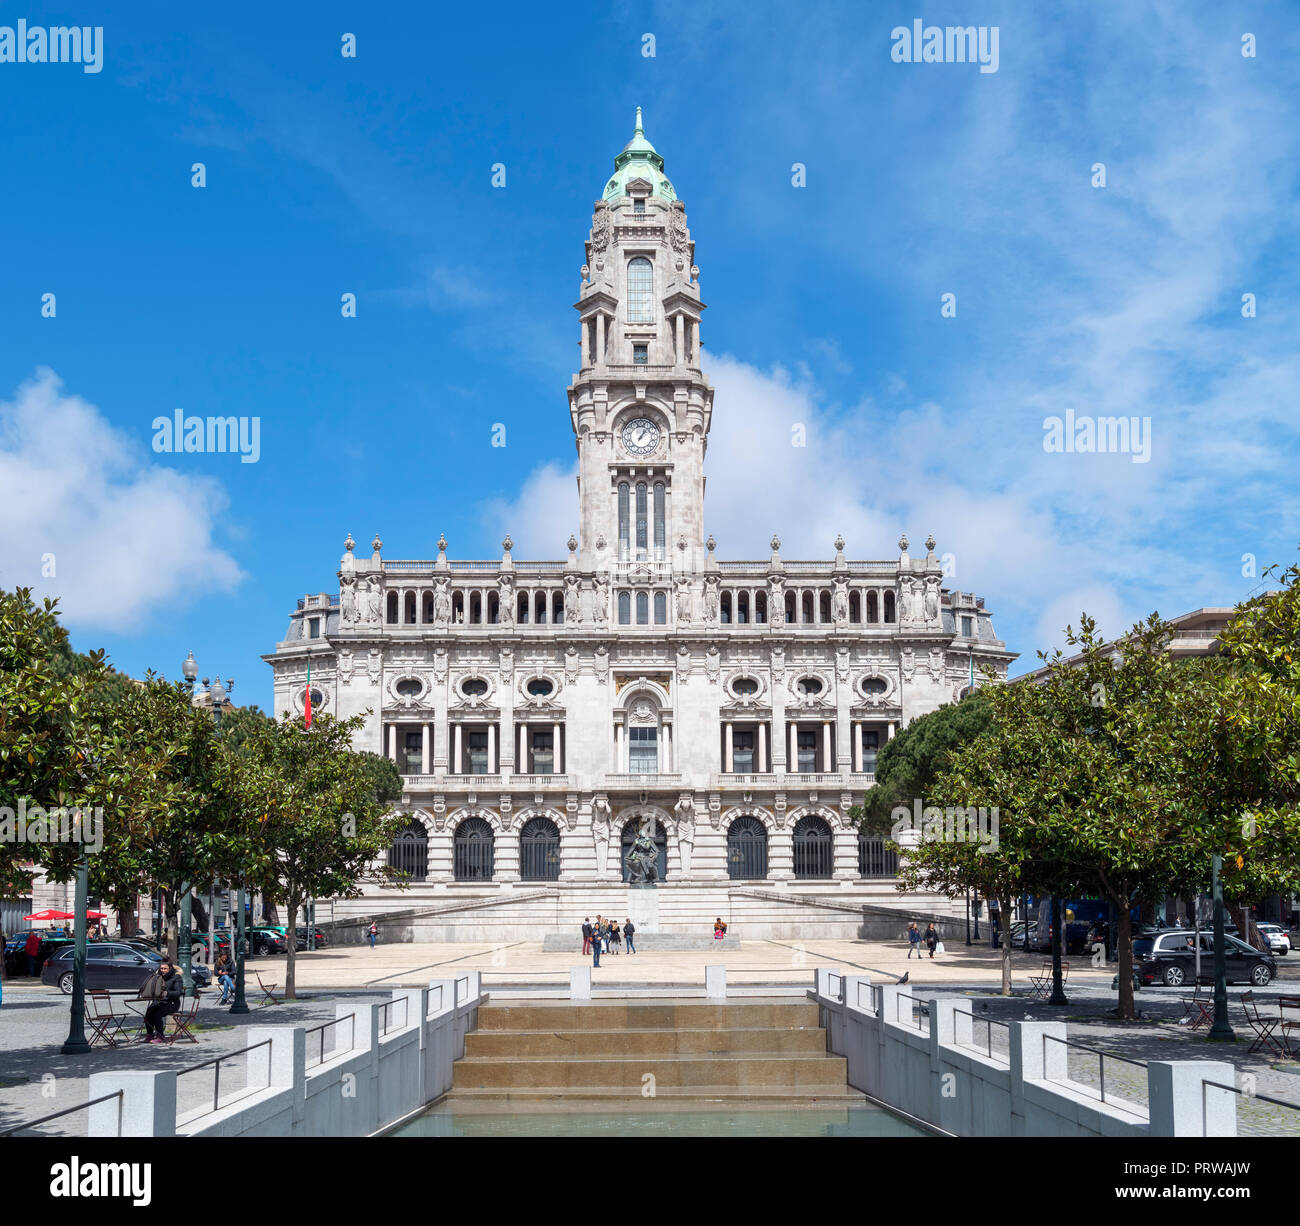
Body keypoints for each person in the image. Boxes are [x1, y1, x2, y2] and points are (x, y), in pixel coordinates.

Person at [143, 959, 184, 1043]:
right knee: (149, 1012)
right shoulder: (158, 977)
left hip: (172, 1003)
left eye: (165, 968)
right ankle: (149, 1035)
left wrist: (167, 993)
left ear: (170, 968)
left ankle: (160, 1035)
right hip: (159, 1002)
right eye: (161, 968)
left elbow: (178, 992)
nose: (163, 970)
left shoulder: (176, 977)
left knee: (157, 1013)